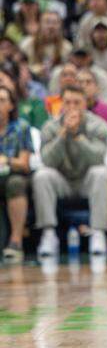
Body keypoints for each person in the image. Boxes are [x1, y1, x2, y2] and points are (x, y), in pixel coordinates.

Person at [33, 85, 107, 257]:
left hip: (87, 181)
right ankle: (48, 234)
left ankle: (98, 233)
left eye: (77, 103)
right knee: (41, 176)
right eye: (68, 102)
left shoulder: (98, 125)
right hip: (62, 180)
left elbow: (98, 158)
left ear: (85, 104)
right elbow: (47, 160)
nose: (72, 107)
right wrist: (62, 135)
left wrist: (77, 136)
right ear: (61, 104)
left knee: (101, 172)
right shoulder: (50, 127)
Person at [0, 86, 34, 261]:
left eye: (2, 100)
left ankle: (16, 241)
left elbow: (24, 164)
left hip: (13, 175)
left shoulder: (21, 127)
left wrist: (6, 160)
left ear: (11, 105)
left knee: (16, 183)